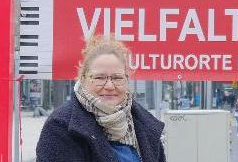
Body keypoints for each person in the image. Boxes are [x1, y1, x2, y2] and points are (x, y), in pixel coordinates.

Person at [37, 35, 166, 162]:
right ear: (83, 79)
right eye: (99, 78)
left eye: (117, 78)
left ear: (127, 79)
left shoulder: (143, 124)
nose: (109, 86)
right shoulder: (61, 126)